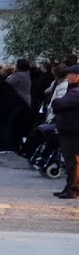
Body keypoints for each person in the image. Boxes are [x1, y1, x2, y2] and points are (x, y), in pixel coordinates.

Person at [51, 64, 79, 198]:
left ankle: (72, 188)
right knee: (72, 161)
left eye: (70, 75)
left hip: (72, 132)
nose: (67, 77)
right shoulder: (72, 90)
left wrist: (56, 102)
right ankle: (71, 187)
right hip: (70, 130)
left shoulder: (75, 92)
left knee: (72, 162)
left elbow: (58, 104)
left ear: (77, 77)